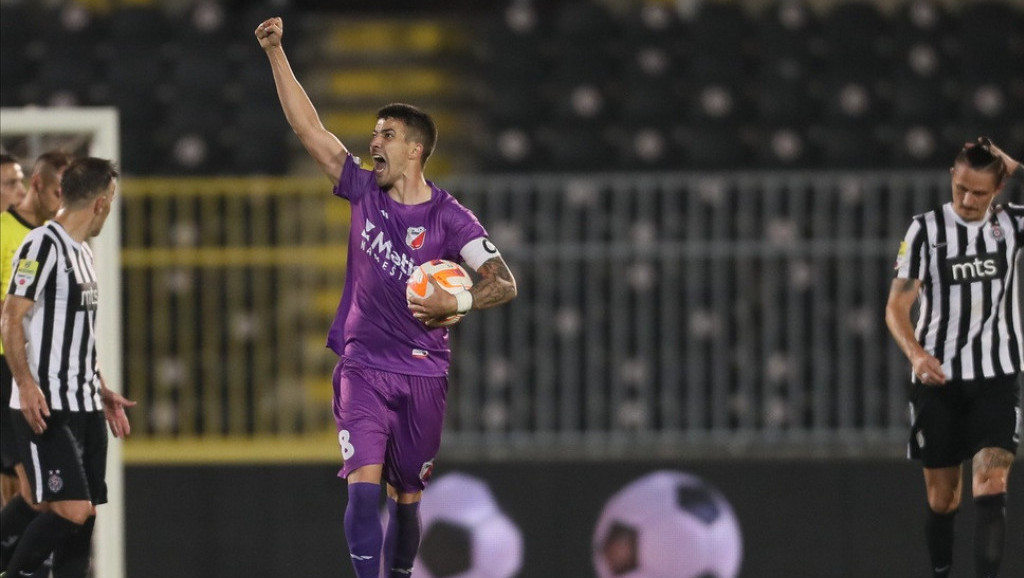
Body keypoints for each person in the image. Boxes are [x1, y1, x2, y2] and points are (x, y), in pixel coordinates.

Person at [256, 17, 517, 578]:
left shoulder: (451, 218)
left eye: (387, 135)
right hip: (363, 365)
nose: (374, 142)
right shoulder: (361, 190)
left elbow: (503, 280)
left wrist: (459, 304)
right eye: (374, 134)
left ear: (416, 150)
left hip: (424, 370)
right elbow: (311, 132)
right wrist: (277, 54)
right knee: (361, 490)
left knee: (408, 499)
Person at [886, 138, 1023, 578]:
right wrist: (917, 354)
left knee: (992, 482)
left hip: (996, 376)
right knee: (943, 501)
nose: (966, 199)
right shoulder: (924, 230)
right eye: (960, 188)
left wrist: (1017, 165)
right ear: (952, 177)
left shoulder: (1013, 226)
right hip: (937, 380)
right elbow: (896, 307)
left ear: (998, 189)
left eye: (979, 192)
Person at [0, 157, 135, 578]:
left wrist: (102, 388)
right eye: (110, 201)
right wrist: (24, 384)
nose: (109, 210)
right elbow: (11, 316)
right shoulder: (42, 244)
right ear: (99, 203)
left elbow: (79, 334)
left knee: (85, 515)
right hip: (47, 405)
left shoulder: (83, 254)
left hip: (86, 404)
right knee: (68, 509)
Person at [0, 150, 73, 575]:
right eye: (8, 182)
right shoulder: (7, 231)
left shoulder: (49, 238)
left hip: (36, 373)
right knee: (33, 493)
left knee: (36, 494)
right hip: (7, 369)